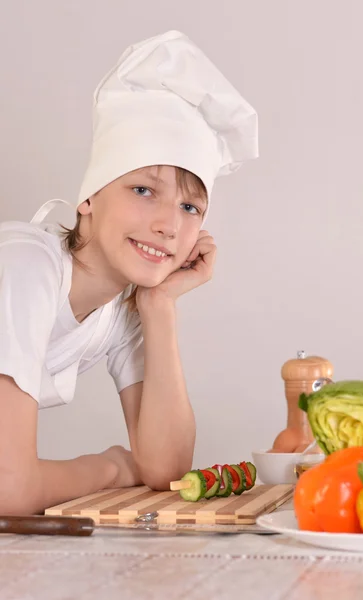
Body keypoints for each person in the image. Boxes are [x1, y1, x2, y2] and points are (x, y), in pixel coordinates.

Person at [0, 30, 258, 514]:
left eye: (189, 206)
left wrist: (159, 305)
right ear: (89, 197)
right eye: (143, 190)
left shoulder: (124, 307)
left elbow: (166, 469)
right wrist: (113, 467)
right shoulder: (22, 266)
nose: (168, 225)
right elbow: (8, 489)